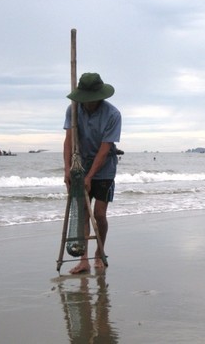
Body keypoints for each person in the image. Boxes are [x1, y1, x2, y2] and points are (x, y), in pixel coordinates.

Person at [63, 72, 122, 272]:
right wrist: (67, 170)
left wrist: (90, 177)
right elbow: (68, 141)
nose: (88, 104)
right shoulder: (73, 111)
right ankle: (83, 260)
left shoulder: (113, 114)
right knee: (83, 215)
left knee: (99, 214)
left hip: (105, 169)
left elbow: (105, 149)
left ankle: (99, 251)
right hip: (81, 167)